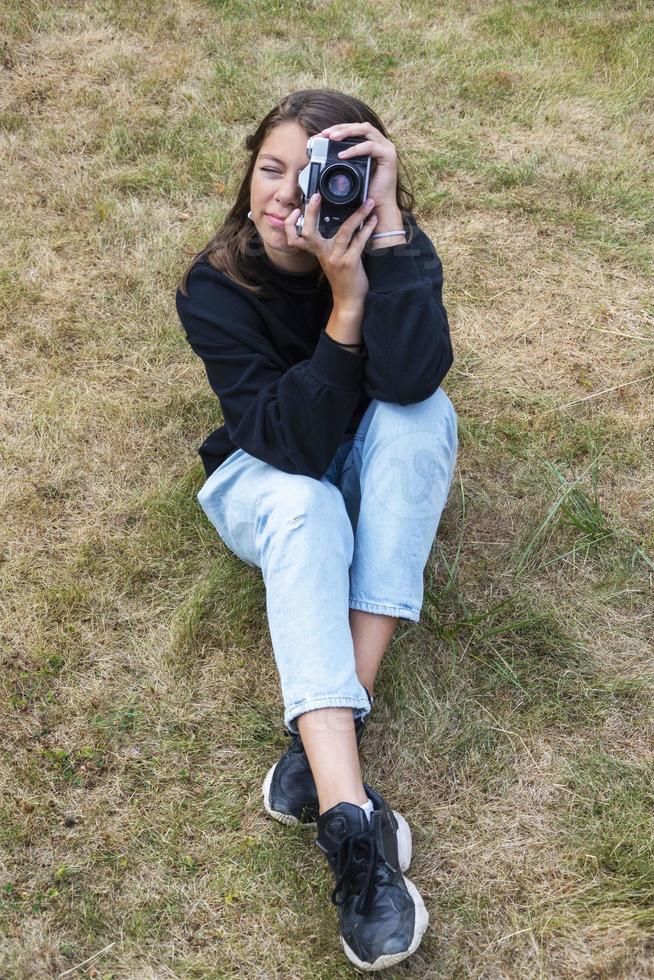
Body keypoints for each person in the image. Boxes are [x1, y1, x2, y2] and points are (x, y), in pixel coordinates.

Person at [175, 88, 457, 971]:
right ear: (247, 169)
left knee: (423, 419)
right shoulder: (214, 286)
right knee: (309, 504)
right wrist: (342, 307)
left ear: (360, 183)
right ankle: (356, 835)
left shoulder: (392, 245)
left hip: (361, 453)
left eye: (318, 175)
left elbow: (410, 383)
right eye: (270, 168)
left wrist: (382, 254)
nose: (288, 195)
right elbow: (292, 448)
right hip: (264, 477)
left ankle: (322, 744)